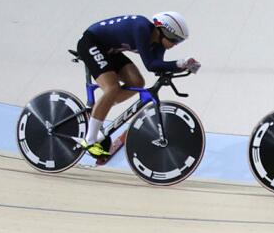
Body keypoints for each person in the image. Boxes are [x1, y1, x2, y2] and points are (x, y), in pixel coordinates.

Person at [75, 12, 201, 163]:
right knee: (112, 88)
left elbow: (157, 66)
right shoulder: (141, 28)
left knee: (137, 82)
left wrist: (184, 67)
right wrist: (179, 64)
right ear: (164, 32)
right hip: (91, 42)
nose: (175, 44)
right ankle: (89, 141)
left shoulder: (159, 42)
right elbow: (150, 65)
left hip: (109, 51)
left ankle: (102, 105)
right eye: (175, 40)